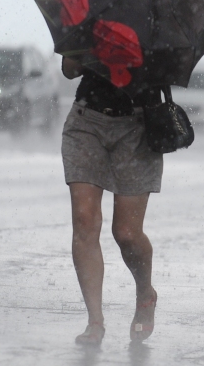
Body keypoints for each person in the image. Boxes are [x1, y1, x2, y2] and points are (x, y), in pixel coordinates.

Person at [60, 55, 162, 346]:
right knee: (84, 222)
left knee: (126, 233)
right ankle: (95, 321)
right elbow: (70, 69)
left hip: (139, 127)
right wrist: (94, 48)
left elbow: (168, 73)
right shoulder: (91, 13)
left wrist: (134, 52)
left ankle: (145, 293)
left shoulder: (160, 18)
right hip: (86, 123)